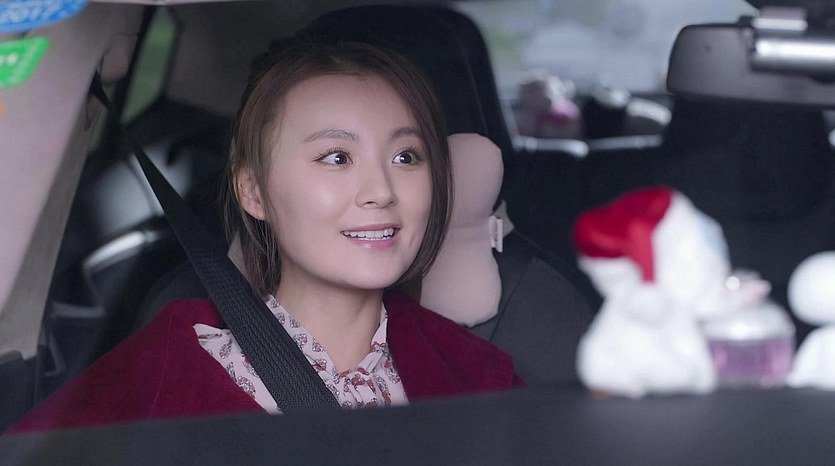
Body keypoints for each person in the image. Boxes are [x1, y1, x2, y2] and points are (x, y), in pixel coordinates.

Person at [8, 39, 522, 433]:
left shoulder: (480, 379)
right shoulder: (157, 375)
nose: (382, 191)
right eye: (337, 157)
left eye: (406, 156)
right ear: (253, 192)